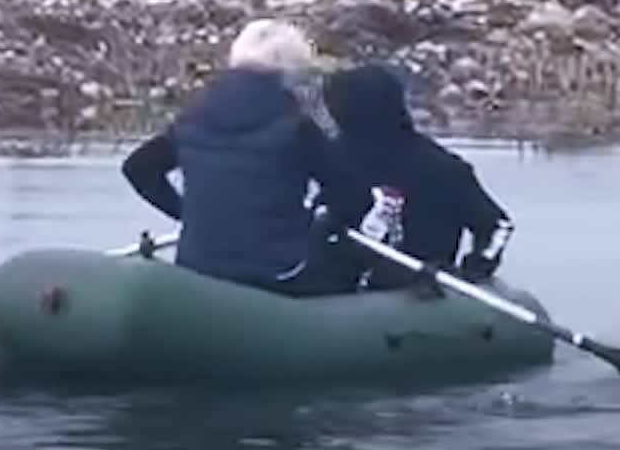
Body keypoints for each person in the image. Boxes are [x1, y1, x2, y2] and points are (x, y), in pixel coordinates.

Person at [121, 19, 371, 295]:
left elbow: (138, 168)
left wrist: (186, 213)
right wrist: (318, 227)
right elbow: (354, 195)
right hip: (277, 272)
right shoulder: (295, 126)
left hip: (197, 268)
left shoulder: (192, 119)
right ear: (290, 72)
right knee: (345, 272)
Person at [321, 63, 514, 290]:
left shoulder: (442, 169)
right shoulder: (326, 159)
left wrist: (472, 271)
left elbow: (497, 225)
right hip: (339, 290)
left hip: (421, 291)